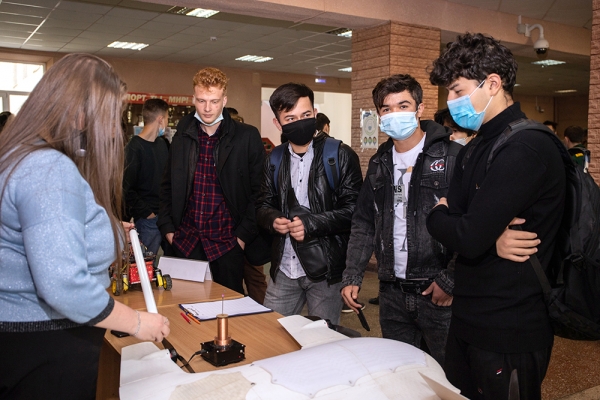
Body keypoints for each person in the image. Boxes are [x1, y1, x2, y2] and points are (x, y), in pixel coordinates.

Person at [0, 53, 169, 399]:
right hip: (46, 345)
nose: (113, 129)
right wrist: (138, 322)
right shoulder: (47, 168)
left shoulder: (22, 155)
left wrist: (104, 228)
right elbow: (63, 284)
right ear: (80, 113)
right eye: (110, 116)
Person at [427, 33, 565, 399]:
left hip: (510, 327)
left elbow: (464, 232)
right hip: (468, 317)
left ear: (492, 83)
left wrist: (449, 221)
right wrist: (486, 235)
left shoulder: (526, 146)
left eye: (457, 91)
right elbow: (462, 225)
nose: (451, 101)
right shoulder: (477, 146)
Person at [341, 74, 460, 365]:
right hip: (391, 292)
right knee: (401, 373)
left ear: (419, 109)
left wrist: (450, 280)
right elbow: (364, 222)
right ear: (379, 115)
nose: (395, 114)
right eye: (387, 108)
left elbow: (471, 224)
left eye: (403, 105)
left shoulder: (453, 157)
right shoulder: (379, 163)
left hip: (437, 291)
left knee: (451, 375)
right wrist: (353, 275)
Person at [256, 83, 362, 325]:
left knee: (322, 339)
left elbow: (355, 211)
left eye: (305, 115)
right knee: (270, 333)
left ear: (315, 113)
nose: (300, 123)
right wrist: (272, 219)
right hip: (284, 267)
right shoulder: (273, 159)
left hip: (326, 270)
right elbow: (261, 205)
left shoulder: (340, 155)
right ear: (278, 124)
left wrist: (311, 224)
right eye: (290, 118)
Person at [158, 67, 269, 295]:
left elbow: (259, 193)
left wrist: (242, 237)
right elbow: (167, 185)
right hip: (186, 241)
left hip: (227, 244)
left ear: (224, 100)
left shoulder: (246, 137)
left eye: (214, 101)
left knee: (226, 308)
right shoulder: (182, 136)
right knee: (183, 306)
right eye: (201, 101)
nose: (207, 108)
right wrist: (168, 229)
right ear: (193, 99)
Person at [226, 105, 268, 303]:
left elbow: (259, 192)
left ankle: (260, 316)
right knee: (241, 283)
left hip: (248, 232)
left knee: (254, 279)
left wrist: (243, 234)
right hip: (229, 234)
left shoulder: (251, 149)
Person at [123, 98, 170, 256]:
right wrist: (147, 213)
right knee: (144, 265)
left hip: (165, 218)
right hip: (147, 221)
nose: (167, 123)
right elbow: (126, 189)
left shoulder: (162, 145)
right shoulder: (134, 148)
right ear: (160, 119)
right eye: (167, 118)